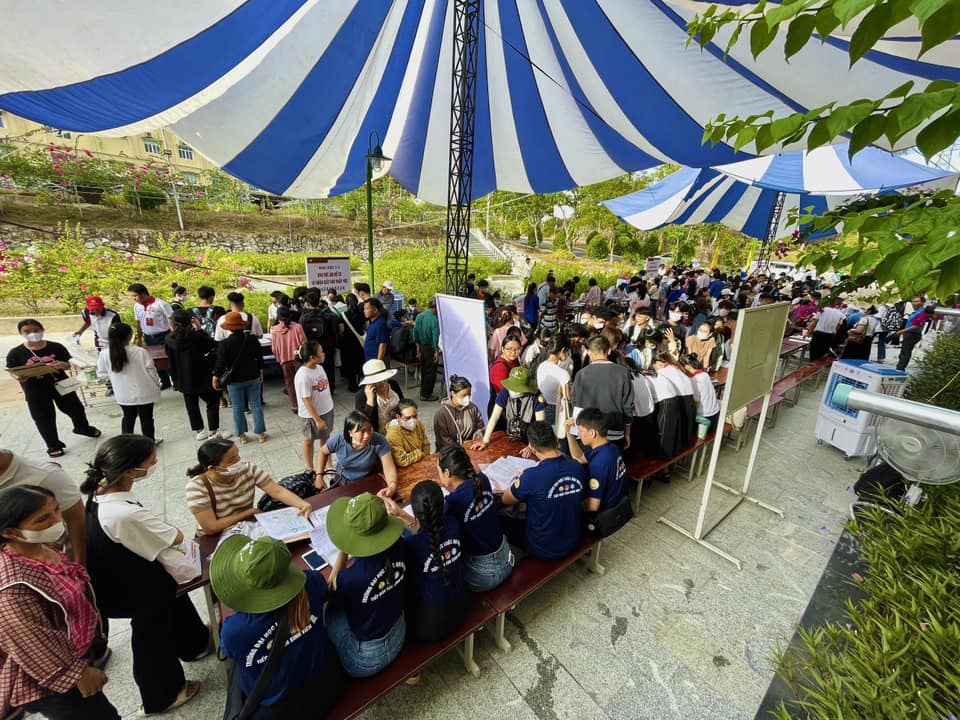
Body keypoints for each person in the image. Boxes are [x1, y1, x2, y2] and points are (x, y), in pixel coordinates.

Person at [81, 435, 208, 716]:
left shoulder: (100, 492)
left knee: (175, 601)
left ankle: (195, 643)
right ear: (130, 470)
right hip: (131, 588)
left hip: (117, 574)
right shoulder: (123, 514)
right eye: (151, 461)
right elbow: (175, 537)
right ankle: (163, 695)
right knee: (152, 633)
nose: (156, 463)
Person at [0, 486, 118, 720]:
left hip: (75, 653)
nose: (56, 521)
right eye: (42, 519)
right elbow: (31, 642)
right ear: (11, 532)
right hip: (51, 681)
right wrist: (77, 675)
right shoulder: (13, 590)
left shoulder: (45, 547)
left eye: (56, 510)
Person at [212, 536, 343, 718]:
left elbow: (230, 653)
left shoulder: (234, 630)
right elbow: (325, 588)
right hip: (326, 689)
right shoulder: (310, 583)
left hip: (278, 712)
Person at [325, 492, 406, 678]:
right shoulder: (401, 545)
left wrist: (344, 548)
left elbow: (331, 587)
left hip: (364, 660)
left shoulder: (349, 578)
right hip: (399, 634)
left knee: (330, 613)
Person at [381, 481, 466, 646]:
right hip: (460, 609)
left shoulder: (411, 544)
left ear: (415, 511)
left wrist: (400, 517)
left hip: (428, 627)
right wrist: (402, 515)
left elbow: (422, 537)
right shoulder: (453, 524)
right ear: (443, 504)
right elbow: (428, 533)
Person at [6, 319, 101, 458]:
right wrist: (21, 377)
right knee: (43, 417)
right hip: (35, 390)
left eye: (36, 330)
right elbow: (13, 371)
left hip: (60, 384)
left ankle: (82, 428)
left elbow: (68, 365)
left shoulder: (56, 347)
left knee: (76, 408)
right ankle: (53, 445)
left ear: (42, 330)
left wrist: (62, 365)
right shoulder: (15, 353)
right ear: (21, 333)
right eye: (27, 331)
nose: (32, 334)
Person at [185, 438, 312, 535]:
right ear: (212, 469)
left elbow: (277, 490)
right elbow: (211, 527)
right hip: (217, 536)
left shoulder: (247, 468)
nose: (239, 461)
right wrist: (249, 512)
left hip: (245, 527)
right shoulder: (197, 488)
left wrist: (302, 504)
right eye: (232, 460)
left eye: (238, 455)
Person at [500, 422, 585, 560]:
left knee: (499, 518)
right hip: (572, 540)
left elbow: (505, 499)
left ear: (533, 449)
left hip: (542, 548)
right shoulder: (577, 466)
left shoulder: (531, 476)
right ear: (557, 440)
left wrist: (521, 480)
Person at [436, 445, 512, 591]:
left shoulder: (452, 502)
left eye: (438, 471)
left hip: (482, 576)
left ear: (447, 473)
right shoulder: (482, 480)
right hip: (507, 558)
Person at [165, 309, 225, 441]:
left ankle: (200, 430)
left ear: (172, 324)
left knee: (191, 404)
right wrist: (199, 330)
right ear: (189, 322)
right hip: (201, 374)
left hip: (182, 377)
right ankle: (213, 431)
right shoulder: (195, 336)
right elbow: (212, 345)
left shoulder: (169, 339)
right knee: (212, 400)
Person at [97, 323, 161, 440]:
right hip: (145, 391)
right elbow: (152, 371)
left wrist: (114, 384)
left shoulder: (104, 354)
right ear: (129, 336)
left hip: (123, 394)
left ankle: (126, 445)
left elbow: (102, 375)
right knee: (146, 418)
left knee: (128, 418)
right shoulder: (140, 352)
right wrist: (156, 385)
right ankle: (149, 442)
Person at [571, 335, 634, 450]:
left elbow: (575, 403)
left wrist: (576, 432)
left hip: (588, 432)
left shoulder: (581, 374)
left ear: (589, 352)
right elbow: (628, 406)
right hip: (615, 431)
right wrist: (627, 433)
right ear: (609, 351)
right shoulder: (623, 372)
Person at [214, 311, 267, 444]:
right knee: (256, 405)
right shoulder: (252, 339)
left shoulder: (224, 344)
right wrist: (261, 371)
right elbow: (259, 357)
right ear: (242, 326)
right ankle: (260, 434)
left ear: (228, 328)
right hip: (253, 376)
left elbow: (220, 364)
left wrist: (215, 377)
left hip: (234, 380)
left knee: (237, 407)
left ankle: (242, 436)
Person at [565, 408, 628, 517]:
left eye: (581, 431)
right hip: (618, 503)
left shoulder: (599, 463)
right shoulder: (611, 447)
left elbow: (593, 506)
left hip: (606, 514)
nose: (579, 434)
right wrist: (569, 433)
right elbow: (578, 457)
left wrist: (570, 508)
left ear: (592, 433)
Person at [317, 412, 399, 495]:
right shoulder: (339, 439)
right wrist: (319, 476)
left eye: (369, 429)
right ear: (350, 433)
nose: (367, 435)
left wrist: (392, 486)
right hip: (342, 483)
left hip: (368, 484)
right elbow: (323, 452)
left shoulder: (379, 441)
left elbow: (389, 467)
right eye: (362, 431)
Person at [474, 367, 546, 450]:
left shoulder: (537, 397)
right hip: (512, 434)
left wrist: (531, 446)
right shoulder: (506, 392)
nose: (513, 390)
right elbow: (494, 417)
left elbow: (540, 425)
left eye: (517, 388)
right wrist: (485, 441)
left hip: (531, 436)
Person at [294, 341, 334, 474]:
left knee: (325, 437)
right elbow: (306, 400)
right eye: (321, 352)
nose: (324, 354)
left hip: (326, 410)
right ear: (312, 357)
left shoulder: (320, 368)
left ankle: (328, 464)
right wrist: (317, 420)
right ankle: (310, 467)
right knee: (309, 440)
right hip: (311, 416)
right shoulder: (303, 375)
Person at [127, 283, 173, 389]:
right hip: (149, 337)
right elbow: (138, 322)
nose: (134, 299)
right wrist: (139, 338)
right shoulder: (137, 306)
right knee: (155, 361)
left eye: (135, 296)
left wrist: (173, 336)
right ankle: (165, 381)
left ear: (143, 294)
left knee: (169, 359)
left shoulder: (161, 304)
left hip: (164, 336)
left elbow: (172, 320)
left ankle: (176, 380)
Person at [271, 307, 308, 414]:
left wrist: (279, 358)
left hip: (284, 361)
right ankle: (305, 404)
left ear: (278, 317)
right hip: (298, 360)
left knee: (289, 383)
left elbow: (274, 348)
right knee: (302, 383)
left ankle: (295, 405)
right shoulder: (298, 327)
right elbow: (304, 343)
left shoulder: (275, 330)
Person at [434, 375, 486, 452]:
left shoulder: (472, 408)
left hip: (472, 448)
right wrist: (461, 449)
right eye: (464, 395)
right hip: (450, 452)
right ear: (453, 393)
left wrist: (476, 441)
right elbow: (443, 440)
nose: (467, 398)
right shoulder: (442, 414)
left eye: (469, 395)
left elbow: (480, 427)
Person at [354, 359, 404, 433]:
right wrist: (370, 402)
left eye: (384, 379)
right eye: (378, 381)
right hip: (378, 436)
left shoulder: (393, 384)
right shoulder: (361, 396)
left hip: (398, 430)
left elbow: (404, 405)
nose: (383, 383)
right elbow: (362, 424)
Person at [536, 336, 572, 428]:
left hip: (540, 408)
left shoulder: (541, 366)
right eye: (568, 351)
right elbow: (568, 399)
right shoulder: (563, 374)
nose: (568, 355)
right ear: (563, 350)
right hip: (556, 411)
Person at [384, 399, 431, 468]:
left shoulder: (418, 424)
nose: (412, 420)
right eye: (407, 418)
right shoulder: (393, 434)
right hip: (404, 469)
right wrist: (420, 453)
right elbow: (402, 460)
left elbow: (426, 445)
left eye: (414, 416)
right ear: (398, 417)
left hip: (422, 463)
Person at [681, 354, 720, 432]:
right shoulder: (705, 374)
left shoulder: (693, 380)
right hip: (716, 415)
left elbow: (695, 404)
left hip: (705, 420)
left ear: (687, 367)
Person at [413, 298, 440, 402]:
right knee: (431, 372)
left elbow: (415, 332)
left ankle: (423, 392)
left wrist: (418, 348)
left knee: (424, 370)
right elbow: (435, 337)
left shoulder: (420, 316)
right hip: (430, 347)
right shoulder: (434, 319)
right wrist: (436, 351)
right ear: (436, 307)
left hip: (421, 346)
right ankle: (426, 395)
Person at [894, 297, 930, 371]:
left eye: (916, 301)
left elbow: (917, 326)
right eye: (912, 301)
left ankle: (900, 369)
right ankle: (900, 368)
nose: (913, 303)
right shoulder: (916, 312)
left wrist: (902, 331)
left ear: (922, 303)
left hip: (913, 334)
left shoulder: (922, 312)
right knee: (904, 352)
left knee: (905, 353)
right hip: (909, 333)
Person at [340, 294, 366, 392]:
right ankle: (361, 382)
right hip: (360, 342)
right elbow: (366, 327)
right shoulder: (361, 314)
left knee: (351, 365)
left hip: (348, 343)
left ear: (346, 303)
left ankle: (352, 385)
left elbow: (341, 330)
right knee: (360, 363)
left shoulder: (343, 315)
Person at [363, 298, 391, 362]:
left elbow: (383, 345)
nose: (364, 311)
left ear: (375, 310)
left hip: (377, 361)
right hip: (371, 360)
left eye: (367, 309)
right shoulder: (373, 322)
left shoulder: (380, 324)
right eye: (364, 309)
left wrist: (378, 362)